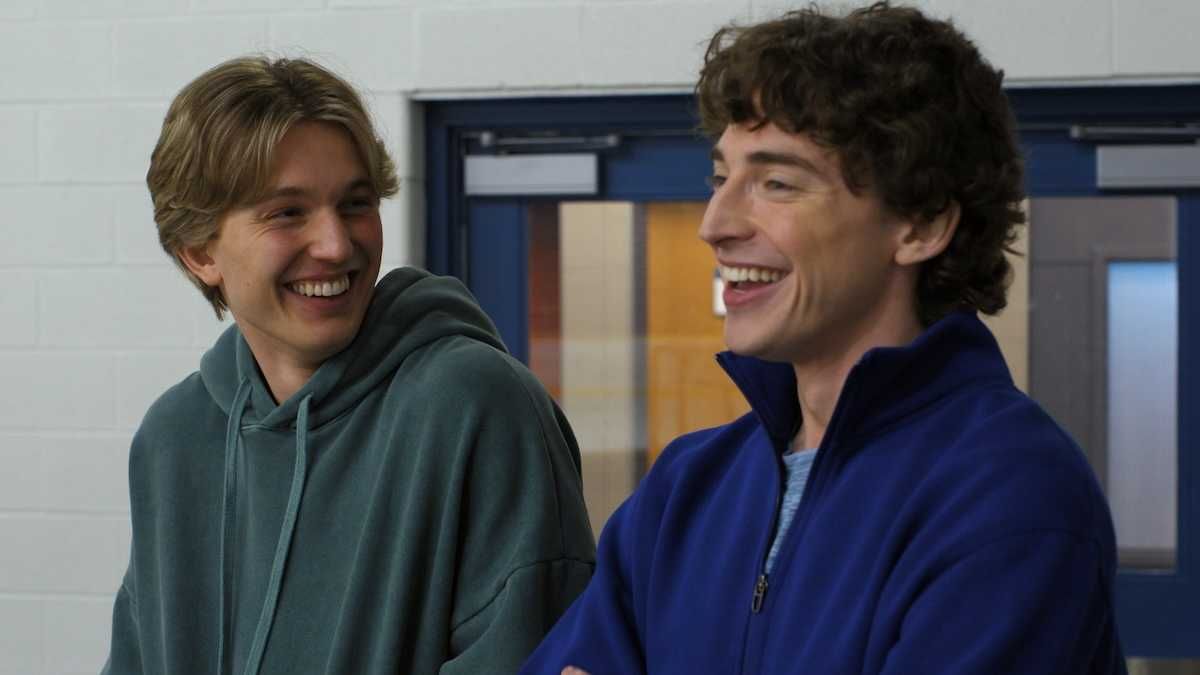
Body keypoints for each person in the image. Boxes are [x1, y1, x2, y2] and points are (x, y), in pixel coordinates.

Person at [521, 3, 1126, 673]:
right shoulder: (684, 490)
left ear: (921, 225)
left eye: (777, 182)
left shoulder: (1010, 498)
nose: (715, 222)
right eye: (722, 178)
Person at [101, 56, 595, 675]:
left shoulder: (474, 406)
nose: (337, 245)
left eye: (356, 203)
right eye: (287, 212)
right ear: (201, 252)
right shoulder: (174, 437)